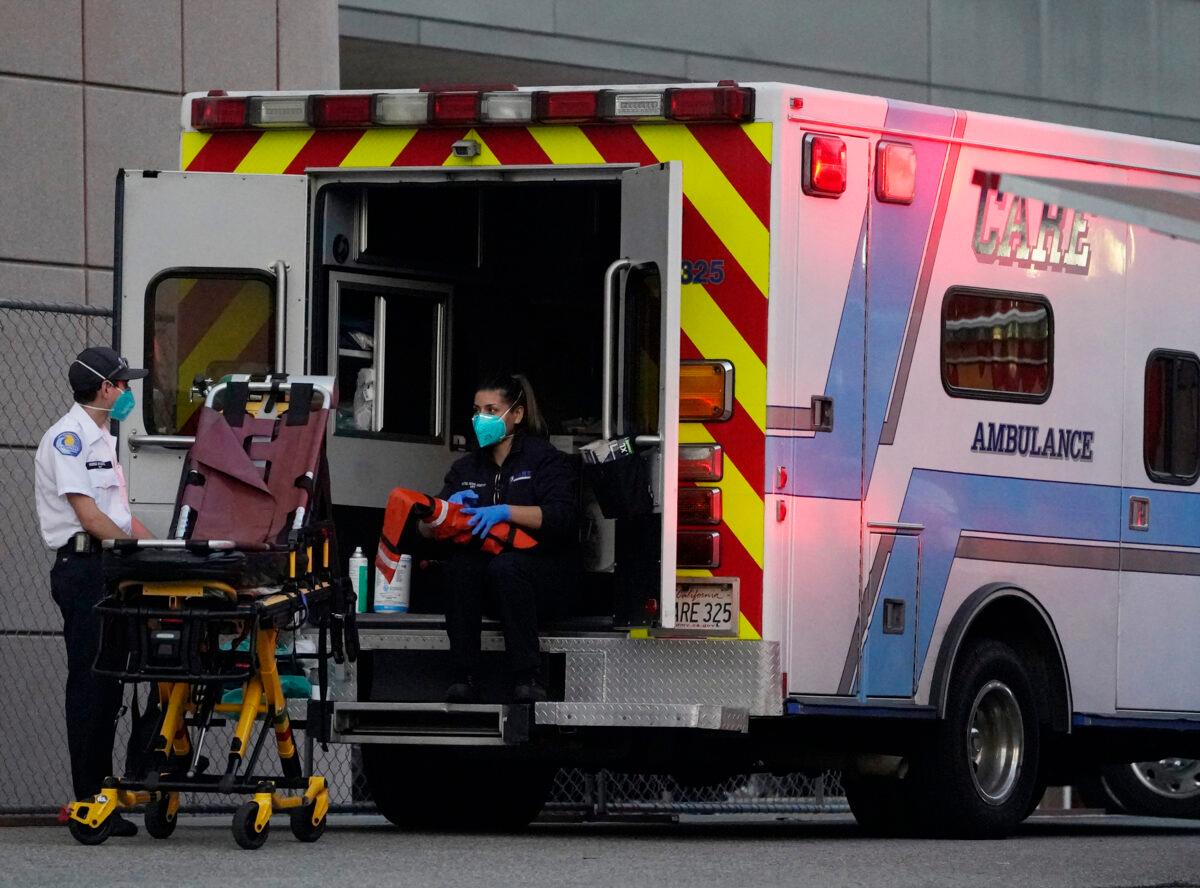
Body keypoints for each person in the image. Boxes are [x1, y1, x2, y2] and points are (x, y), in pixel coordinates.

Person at [34, 346, 153, 835]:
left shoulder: (102, 438)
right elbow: (90, 517)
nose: (127, 392)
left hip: (109, 564)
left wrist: (170, 550)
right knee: (89, 681)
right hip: (85, 567)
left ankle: (108, 797)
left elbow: (121, 516)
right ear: (105, 388)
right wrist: (134, 549)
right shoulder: (68, 439)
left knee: (111, 685)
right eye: (123, 384)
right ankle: (88, 799)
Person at [438, 373, 578, 704]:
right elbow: (427, 530)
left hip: (543, 577)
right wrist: (445, 510)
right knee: (459, 566)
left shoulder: (544, 459)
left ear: (516, 414)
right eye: (476, 410)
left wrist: (506, 511)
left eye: (491, 409)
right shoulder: (466, 468)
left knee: (508, 567)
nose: (480, 419)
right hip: (488, 582)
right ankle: (464, 675)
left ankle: (528, 676)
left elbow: (562, 517)